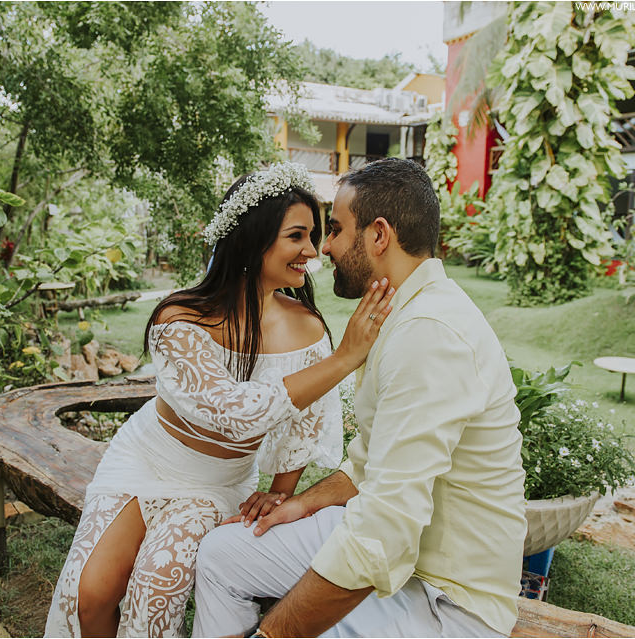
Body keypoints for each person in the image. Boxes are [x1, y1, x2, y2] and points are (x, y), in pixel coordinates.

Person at [44, 162, 395, 638]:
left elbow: (303, 426)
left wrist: (281, 492)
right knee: (89, 594)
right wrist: (344, 359)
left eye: (314, 236)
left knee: (154, 594)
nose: (312, 251)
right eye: (297, 236)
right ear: (254, 238)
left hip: (216, 483)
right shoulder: (180, 318)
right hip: (146, 459)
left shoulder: (307, 329)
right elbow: (231, 413)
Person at [192, 158, 527, 638]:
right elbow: (369, 462)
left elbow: (382, 532)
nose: (322, 247)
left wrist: (271, 636)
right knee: (224, 553)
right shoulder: (400, 309)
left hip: (445, 598)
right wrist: (302, 505)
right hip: (400, 554)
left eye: (335, 229)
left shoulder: (429, 334)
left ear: (379, 235)